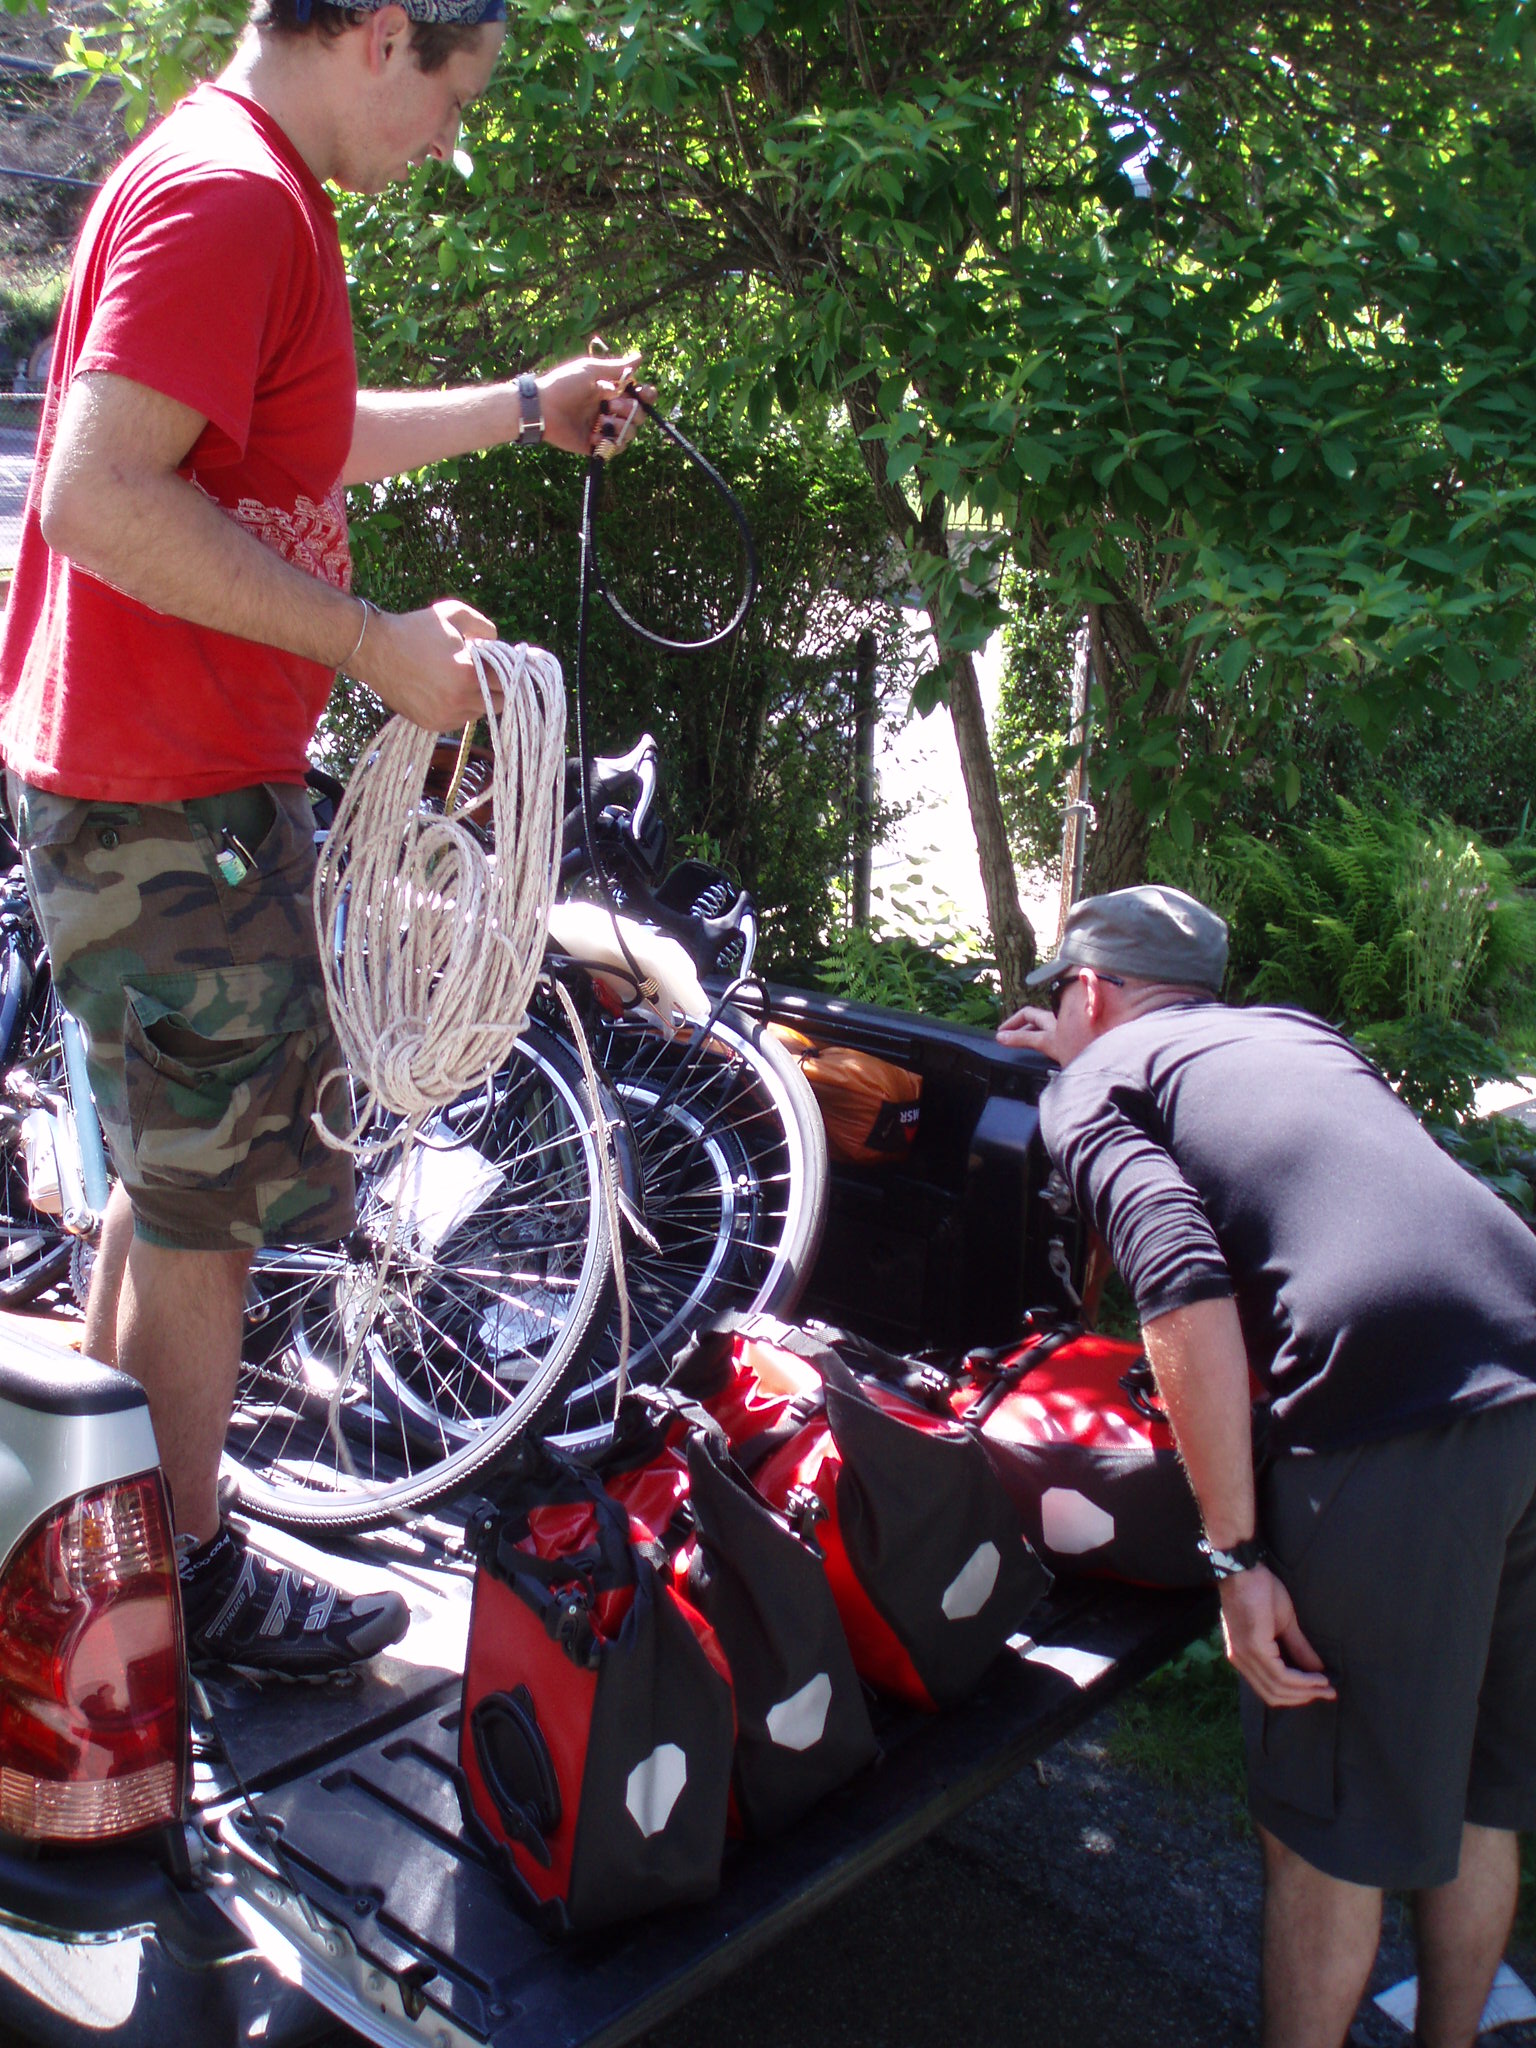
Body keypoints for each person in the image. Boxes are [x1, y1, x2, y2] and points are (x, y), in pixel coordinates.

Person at [0, 0, 651, 1677]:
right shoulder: (228, 193)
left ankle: (86, 1544)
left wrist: (524, 403)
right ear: (379, 33)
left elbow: (298, 435)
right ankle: (189, 1578)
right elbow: (93, 494)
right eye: (456, 95)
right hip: (170, 794)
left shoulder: (249, 191)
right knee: (207, 1205)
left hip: (171, 783)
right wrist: (366, 645)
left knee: (172, 1180)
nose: (453, 140)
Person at [997, 885, 1536, 2048]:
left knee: (1322, 1832)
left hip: (1390, 1416)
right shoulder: (1292, 1033)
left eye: (1061, 998)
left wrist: (1235, 1556)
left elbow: (1183, 1285)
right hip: (1522, 1355)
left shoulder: (1095, 1082)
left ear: (1089, 991)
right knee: (1481, 1795)